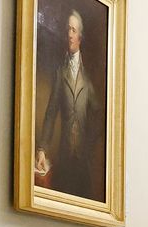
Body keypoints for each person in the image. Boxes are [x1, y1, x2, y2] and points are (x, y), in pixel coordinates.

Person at [36, 9, 101, 201]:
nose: (69, 34)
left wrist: (88, 144)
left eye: (73, 30)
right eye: (67, 30)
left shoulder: (88, 78)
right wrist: (42, 148)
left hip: (83, 161)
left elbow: (99, 115)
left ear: (80, 36)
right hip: (64, 156)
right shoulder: (59, 73)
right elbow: (50, 113)